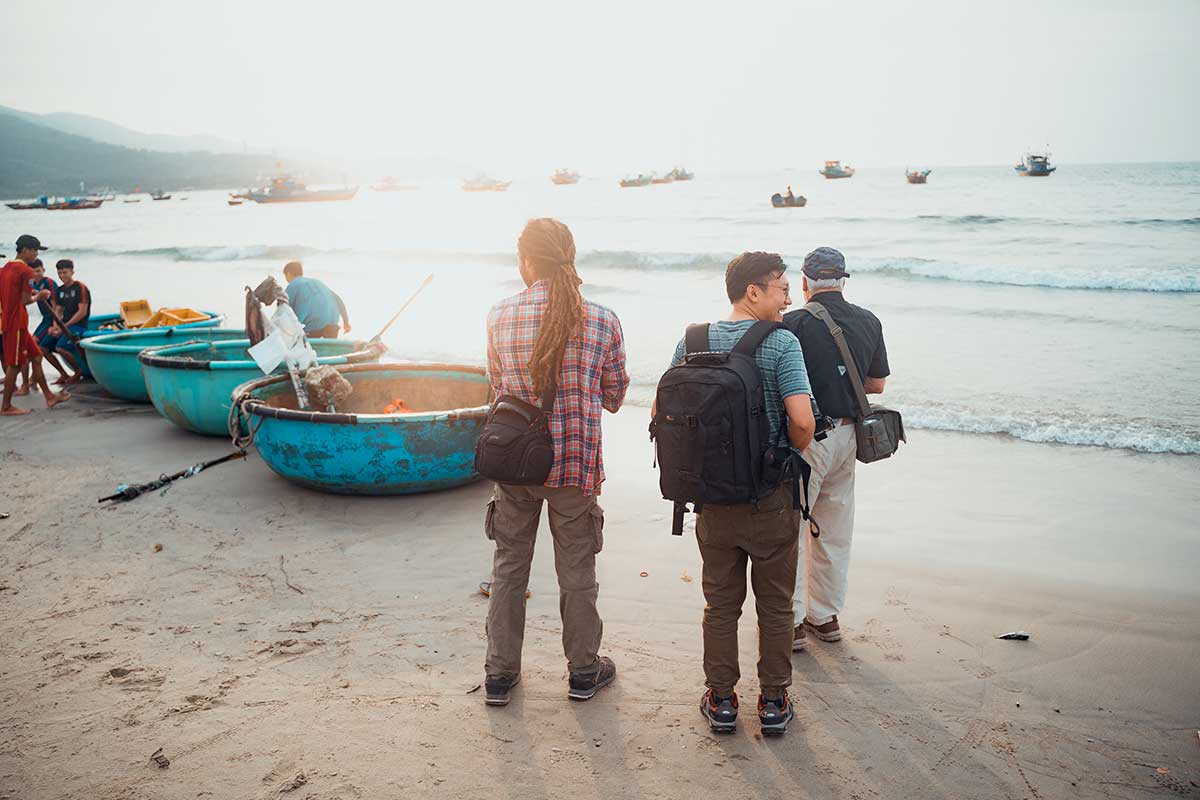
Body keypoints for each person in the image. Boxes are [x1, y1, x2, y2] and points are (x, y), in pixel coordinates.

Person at [482, 218, 629, 707]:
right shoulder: (602, 320)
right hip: (573, 465)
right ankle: (583, 672)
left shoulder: (500, 315)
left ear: (526, 261)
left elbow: (497, 387)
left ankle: (500, 675)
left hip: (514, 464)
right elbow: (615, 396)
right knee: (577, 572)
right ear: (570, 257)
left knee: (509, 569)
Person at [665, 252, 815, 735]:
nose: (787, 299)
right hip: (770, 498)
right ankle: (772, 701)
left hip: (711, 498)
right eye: (781, 288)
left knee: (720, 604)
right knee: (775, 605)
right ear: (754, 291)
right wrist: (784, 456)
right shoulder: (781, 343)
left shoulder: (691, 341)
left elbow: (662, 415)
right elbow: (802, 421)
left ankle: (722, 699)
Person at [781, 247, 890, 651]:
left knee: (792, 527)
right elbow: (876, 384)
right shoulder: (869, 320)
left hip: (807, 435)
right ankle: (825, 618)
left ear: (805, 282)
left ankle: (792, 622)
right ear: (844, 279)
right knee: (835, 529)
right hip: (849, 435)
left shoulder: (791, 324)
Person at [1, 235, 69, 415]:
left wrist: (33, 291)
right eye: (35, 250)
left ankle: (49, 396)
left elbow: (12, 290)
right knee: (15, 364)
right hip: (16, 323)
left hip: (12, 321)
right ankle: (6, 406)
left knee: (37, 356)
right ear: (25, 250)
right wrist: (39, 296)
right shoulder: (26, 271)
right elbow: (25, 300)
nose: (36, 254)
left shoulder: (5, 268)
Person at [39, 259, 90, 385]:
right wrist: (55, 326)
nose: (62, 276)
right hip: (64, 325)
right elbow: (58, 311)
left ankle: (78, 372)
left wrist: (64, 326)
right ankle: (63, 373)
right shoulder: (60, 290)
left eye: (65, 273)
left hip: (78, 325)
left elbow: (82, 312)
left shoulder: (80, 288)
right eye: (59, 273)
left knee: (60, 348)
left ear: (72, 272)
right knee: (42, 348)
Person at [281, 261, 351, 338]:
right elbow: (339, 300)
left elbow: (283, 309)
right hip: (333, 328)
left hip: (314, 330)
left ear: (288, 274)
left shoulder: (293, 285)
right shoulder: (318, 282)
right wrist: (346, 322)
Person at [20, 259, 60, 390]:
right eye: (33, 272)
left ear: (43, 270)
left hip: (52, 319)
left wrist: (55, 325)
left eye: (38, 271)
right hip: (45, 319)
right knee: (32, 348)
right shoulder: (31, 282)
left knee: (37, 348)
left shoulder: (48, 282)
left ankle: (33, 379)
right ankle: (33, 378)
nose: (36, 274)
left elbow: (56, 306)